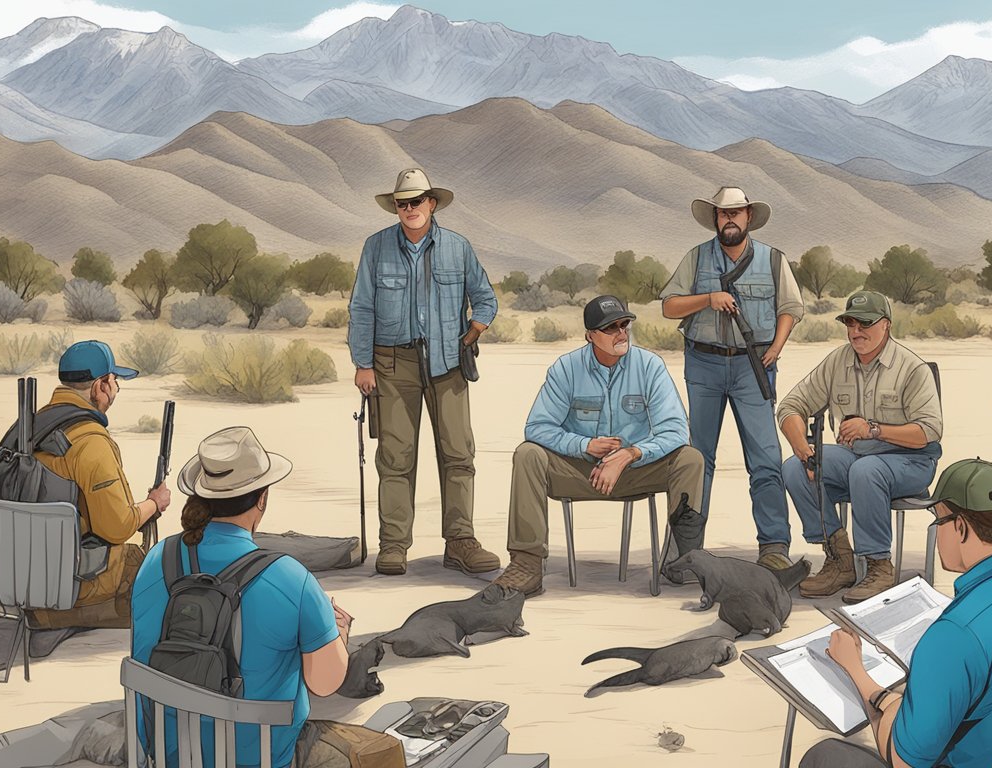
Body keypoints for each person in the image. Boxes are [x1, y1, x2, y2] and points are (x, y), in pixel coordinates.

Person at [803, 458, 992, 768]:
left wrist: (857, 671)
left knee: (824, 755)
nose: (936, 530)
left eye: (938, 518)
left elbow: (903, 761)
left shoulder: (955, 633)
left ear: (960, 527)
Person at [130, 427, 351, 768]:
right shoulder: (290, 578)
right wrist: (338, 635)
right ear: (262, 497)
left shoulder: (157, 559)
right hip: (259, 758)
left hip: (167, 754)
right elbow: (326, 683)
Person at [493, 295, 703, 596]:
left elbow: (676, 430)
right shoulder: (566, 369)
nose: (621, 333)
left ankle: (683, 560)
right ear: (590, 335)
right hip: (578, 472)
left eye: (624, 324)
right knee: (527, 454)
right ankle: (526, 565)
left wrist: (630, 455)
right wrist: (584, 445)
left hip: (635, 472)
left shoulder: (650, 366)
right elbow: (537, 428)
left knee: (690, 458)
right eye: (610, 328)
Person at [348, 168, 500, 577]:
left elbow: (485, 299)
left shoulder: (458, 247)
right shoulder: (375, 247)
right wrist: (363, 363)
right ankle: (394, 546)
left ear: (432, 203)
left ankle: (460, 541)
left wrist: (472, 334)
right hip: (391, 364)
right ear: (396, 207)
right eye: (403, 203)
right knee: (395, 457)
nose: (411, 208)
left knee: (458, 454)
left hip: (448, 364)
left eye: (418, 201)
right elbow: (361, 308)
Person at [658, 186, 804, 570]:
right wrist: (708, 299)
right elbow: (670, 306)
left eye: (736, 213)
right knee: (696, 459)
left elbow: (790, 308)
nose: (730, 220)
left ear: (749, 217)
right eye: (723, 214)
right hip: (703, 365)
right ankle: (687, 552)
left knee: (766, 458)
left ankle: (773, 547)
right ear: (715, 219)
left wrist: (776, 348)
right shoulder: (696, 257)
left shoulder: (773, 259)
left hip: (751, 366)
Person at [777, 291, 942, 603]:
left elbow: (929, 431)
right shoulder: (838, 361)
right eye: (850, 323)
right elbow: (791, 406)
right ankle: (839, 559)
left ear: (886, 325)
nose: (856, 331)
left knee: (866, 471)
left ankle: (879, 565)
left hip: (912, 460)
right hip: (858, 457)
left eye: (865, 323)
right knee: (794, 468)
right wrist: (801, 447)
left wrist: (873, 429)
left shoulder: (911, 368)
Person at [26, 340, 171, 657]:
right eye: (115, 381)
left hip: (25, 574)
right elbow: (118, 527)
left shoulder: (30, 427)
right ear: (101, 385)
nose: (115, 388)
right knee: (164, 573)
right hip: (73, 580)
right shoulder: (90, 441)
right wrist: (154, 503)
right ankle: (60, 618)